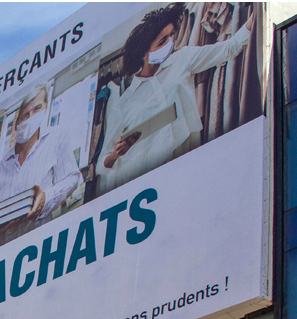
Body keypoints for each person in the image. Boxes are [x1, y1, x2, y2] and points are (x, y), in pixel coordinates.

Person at [96, 3, 254, 195]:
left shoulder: (182, 59)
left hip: (186, 164)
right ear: (145, 53)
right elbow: (101, 163)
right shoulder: (125, 101)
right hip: (143, 183)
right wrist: (115, 154)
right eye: (162, 41)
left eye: (172, 36)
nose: (170, 43)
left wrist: (253, 21)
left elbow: (229, 49)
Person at [0, 84, 82, 255]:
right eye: (25, 115)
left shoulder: (56, 139)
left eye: (37, 109)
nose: (30, 118)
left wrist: (45, 199)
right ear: (16, 122)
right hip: (1, 262)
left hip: (40, 252)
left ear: (46, 108)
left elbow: (72, 178)